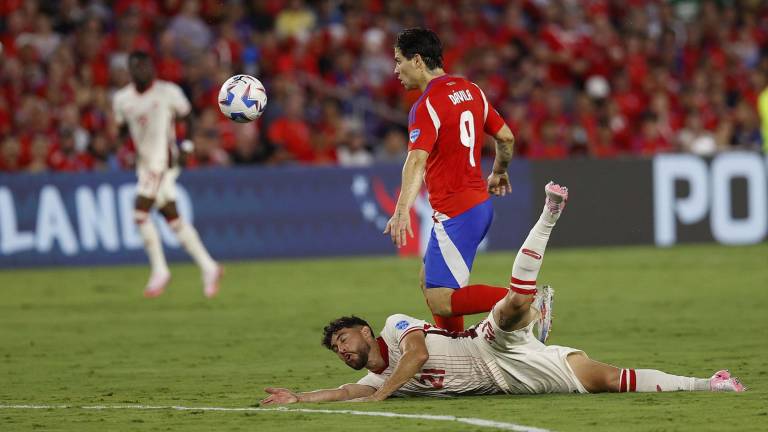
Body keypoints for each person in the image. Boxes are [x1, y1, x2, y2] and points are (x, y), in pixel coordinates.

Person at [261, 183, 745, 404]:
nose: (342, 348)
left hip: (485, 344)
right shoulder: (370, 382)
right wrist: (299, 399)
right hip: (509, 381)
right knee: (607, 380)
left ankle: (549, 217)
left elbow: (414, 355)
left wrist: (382, 395)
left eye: (344, 338)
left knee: (513, 307)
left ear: (365, 331)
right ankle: (707, 382)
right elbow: (345, 392)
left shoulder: (394, 328)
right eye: (336, 349)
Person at [383, 28, 517, 332]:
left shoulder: (426, 105)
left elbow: (416, 160)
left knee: (442, 299)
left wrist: (402, 209)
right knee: (427, 278)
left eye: (398, 60)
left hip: (458, 211)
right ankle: (456, 344)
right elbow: (506, 137)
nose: (395, 70)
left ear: (416, 60)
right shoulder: (472, 90)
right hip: (478, 207)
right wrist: (498, 171)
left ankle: (526, 300)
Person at [112, 51, 222, 298]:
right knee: (171, 215)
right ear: (130, 71)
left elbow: (189, 118)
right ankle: (209, 266)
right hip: (144, 162)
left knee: (140, 212)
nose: (142, 71)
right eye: (137, 67)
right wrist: (122, 149)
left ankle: (160, 270)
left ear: (152, 67)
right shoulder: (122, 99)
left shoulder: (167, 92)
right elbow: (121, 130)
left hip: (164, 160)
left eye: (146, 66)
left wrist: (188, 146)